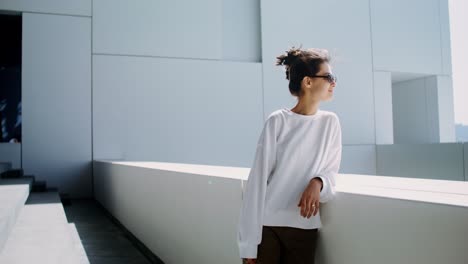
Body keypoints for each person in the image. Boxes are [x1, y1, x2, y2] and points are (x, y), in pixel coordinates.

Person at [237, 46, 342, 264]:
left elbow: (331, 174)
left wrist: (318, 182)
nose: (334, 82)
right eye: (329, 76)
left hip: (304, 227)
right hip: (267, 228)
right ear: (308, 82)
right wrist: (248, 245)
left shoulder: (330, 123)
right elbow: (257, 182)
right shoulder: (278, 121)